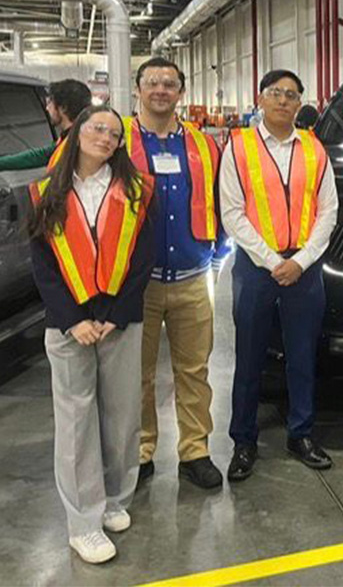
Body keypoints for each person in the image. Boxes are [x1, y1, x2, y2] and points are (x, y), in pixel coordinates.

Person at [28, 106, 154, 563]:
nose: (105, 137)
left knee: (122, 415)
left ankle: (116, 498)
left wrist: (114, 315)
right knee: (77, 421)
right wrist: (73, 318)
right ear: (77, 131)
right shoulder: (47, 192)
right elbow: (42, 266)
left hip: (119, 319)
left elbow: (143, 261)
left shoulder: (138, 190)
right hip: (69, 324)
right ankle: (83, 521)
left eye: (114, 133)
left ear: (120, 145)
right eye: (97, 127)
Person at [219, 69, 338, 481]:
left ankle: (300, 433)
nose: (284, 101)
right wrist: (273, 262)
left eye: (291, 94)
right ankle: (244, 441)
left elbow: (329, 210)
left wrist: (301, 262)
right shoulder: (238, 147)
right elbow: (231, 213)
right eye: (276, 93)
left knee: (303, 356)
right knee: (249, 357)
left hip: (304, 269)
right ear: (261, 98)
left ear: (300, 102)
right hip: (256, 268)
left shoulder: (314, 148)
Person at [126, 57, 230, 490]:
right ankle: (141, 451)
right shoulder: (117, 142)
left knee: (194, 370)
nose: (161, 90)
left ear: (181, 92)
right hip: (137, 282)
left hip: (192, 276)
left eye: (169, 83)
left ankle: (195, 451)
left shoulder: (205, 147)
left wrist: (218, 254)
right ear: (138, 89)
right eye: (153, 83)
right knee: (138, 373)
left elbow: (223, 203)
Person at [0, 79, 92, 171]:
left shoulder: (78, 146)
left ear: (63, 108)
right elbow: (38, 156)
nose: (47, 108)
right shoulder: (71, 139)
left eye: (49, 103)